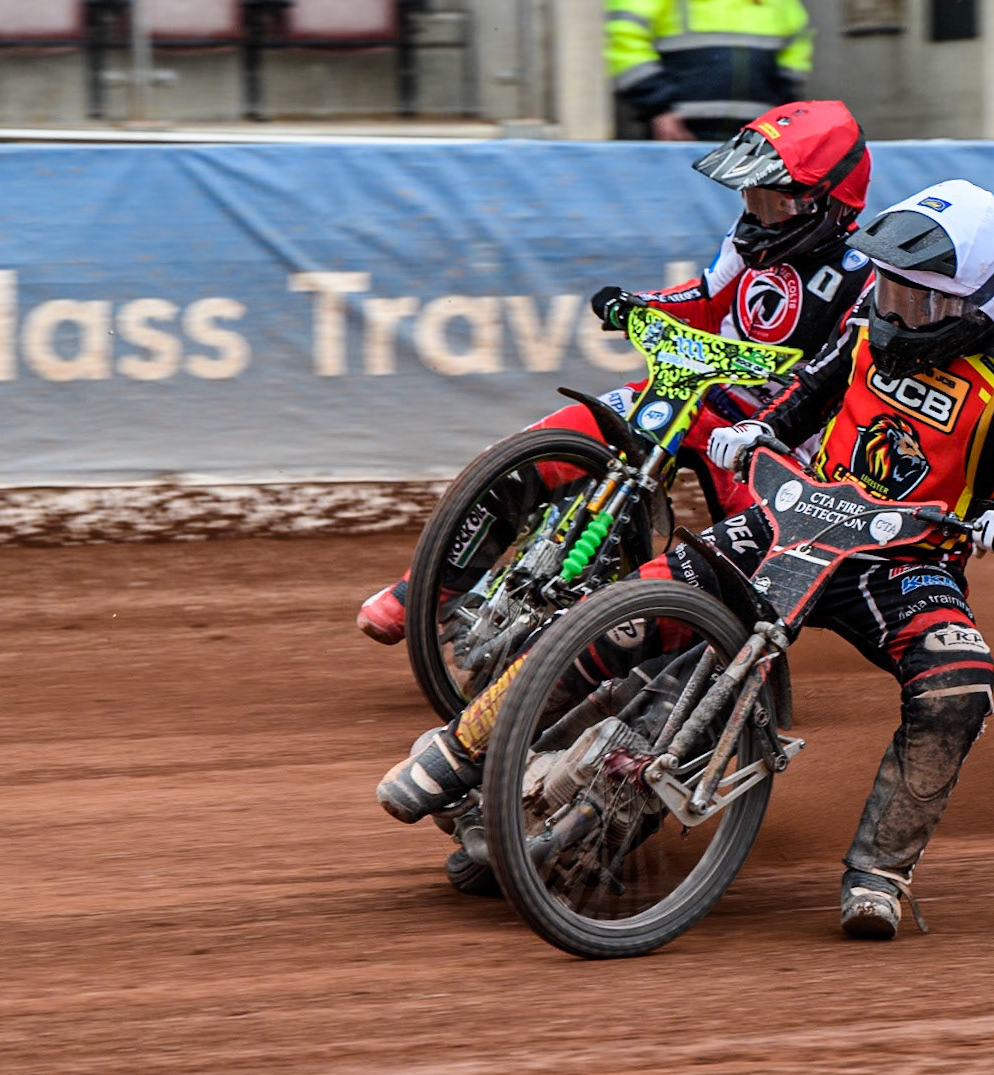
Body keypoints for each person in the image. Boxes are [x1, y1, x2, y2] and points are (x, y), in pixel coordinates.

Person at [377, 178, 994, 940]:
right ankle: (462, 749)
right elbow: (805, 389)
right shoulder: (866, 326)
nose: (895, 310)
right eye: (889, 288)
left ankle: (879, 871)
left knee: (959, 684)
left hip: (904, 565)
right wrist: (757, 428)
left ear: (979, 304)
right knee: (627, 609)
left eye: (918, 300)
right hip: (791, 518)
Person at [356, 99, 875, 645]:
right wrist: (640, 304)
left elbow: (835, 380)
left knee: (732, 583)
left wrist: (769, 432)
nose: (755, 216)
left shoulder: (865, 278)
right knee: (541, 448)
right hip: (698, 396)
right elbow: (704, 298)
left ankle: (631, 649)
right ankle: (424, 590)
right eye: (751, 198)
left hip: (782, 448)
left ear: (831, 202)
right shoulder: (748, 242)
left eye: (772, 202)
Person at [607, 0, 812, 142]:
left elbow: (795, 55)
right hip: (679, 135)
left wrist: (781, 118)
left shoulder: (783, 4)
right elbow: (624, 43)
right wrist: (659, 109)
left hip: (756, 139)